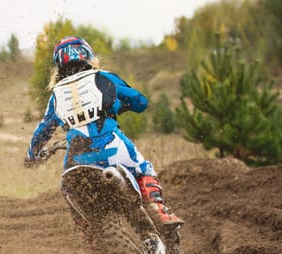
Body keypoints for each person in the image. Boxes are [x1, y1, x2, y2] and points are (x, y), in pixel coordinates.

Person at [24, 36, 183, 234]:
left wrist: (32, 155)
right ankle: (159, 211)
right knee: (143, 168)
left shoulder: (56, 95)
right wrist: (117, 106)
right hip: (112, 148)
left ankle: (92, 238)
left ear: (58, 64)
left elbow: (42, 131)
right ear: (87, 55)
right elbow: (140, 102)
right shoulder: (104, 77)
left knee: (69, 192)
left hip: (75, 161)